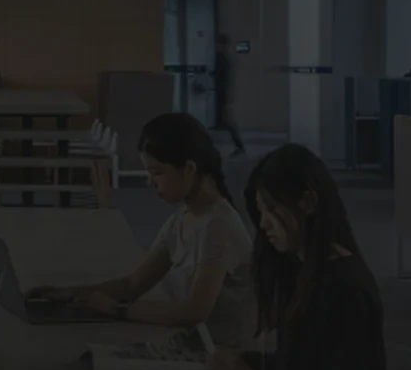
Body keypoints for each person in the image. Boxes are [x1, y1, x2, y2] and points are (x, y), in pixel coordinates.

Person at [208, 144, 396, 370]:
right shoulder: (307, 271)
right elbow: (305, 364)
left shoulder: (345, 288)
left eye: (272, 211)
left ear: (308, 203)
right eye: (260, 213)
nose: (263, 225)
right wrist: (243, 362)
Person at [32, 112, 257, 349]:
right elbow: (133, 285)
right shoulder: (183, 218)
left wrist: (116, 310)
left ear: (189, 168)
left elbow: (194, 312)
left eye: (157, 172)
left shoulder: (218, 226)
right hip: (192, 341)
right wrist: (73, 293)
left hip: (221, 354)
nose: (150, 182)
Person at [209, 31, 245, 156]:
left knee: (226, 122)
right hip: (221, 94)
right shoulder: (224, 57)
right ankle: (239, 146)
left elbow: (220, 77)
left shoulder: (221, 57)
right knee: (224, 121)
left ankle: (239, 146)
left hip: (220, 94)